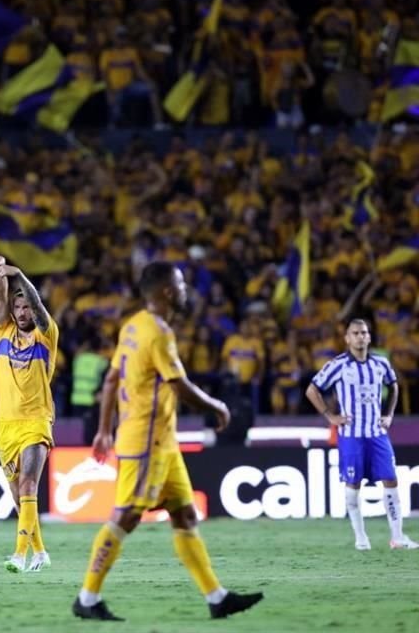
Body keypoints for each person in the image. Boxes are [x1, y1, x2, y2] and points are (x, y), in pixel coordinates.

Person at [73, 261, 263, 621]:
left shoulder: (133, 326)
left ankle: (217, 597)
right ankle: (87, 598)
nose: (184, 289)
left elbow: (113, 378)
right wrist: (217, 406)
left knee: (185, 514)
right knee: (126, 516)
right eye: (179, 283)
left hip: (162, 441)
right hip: (145, 440)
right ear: (165, 291)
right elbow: (177, 384)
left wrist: (103, 429)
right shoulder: (158, 332)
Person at [305, 319, 419, 551]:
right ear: (347, 338)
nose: (360, 336)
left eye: (364, 333)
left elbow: (394, 385)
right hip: (351, 435)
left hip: (377, 433)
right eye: (355, 333)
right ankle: (361, 537)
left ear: (369, 337)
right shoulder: (338, 365)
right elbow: (312, 389)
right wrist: (331, 416)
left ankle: (397, 537)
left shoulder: (380, 363)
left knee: (391, 480)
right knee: (352, 484)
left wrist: (389, 415)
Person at [0, 255, 58, 573]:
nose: (23, 312)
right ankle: (40, 552)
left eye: (26, 306)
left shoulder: (46, 334)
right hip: (4, 424)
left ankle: (18, 555)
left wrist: (19, 273)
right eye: (19, 308)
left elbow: (41, 311)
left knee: (29, 485)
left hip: (35, 420)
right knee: (19, 498)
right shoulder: (2, 332)